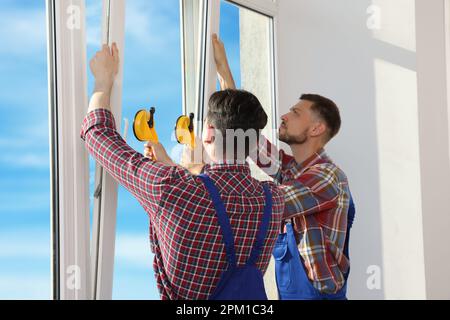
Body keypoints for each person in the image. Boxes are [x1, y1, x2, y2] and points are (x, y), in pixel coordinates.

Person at [81, 43, 284, 300]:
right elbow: (220, 192)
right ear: (253, 142)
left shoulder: (171, 188)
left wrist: (102, 82)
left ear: (208, 133)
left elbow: (98, 136)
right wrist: (172, 165)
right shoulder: (273, 200)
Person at [175, 34, 354, 299]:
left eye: (295, 113)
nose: (284, 115)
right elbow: (243, 134)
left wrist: (192, 170)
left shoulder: (328, 177)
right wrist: (224, 72)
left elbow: (258, 202)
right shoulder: (292, 170)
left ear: (317, 128)